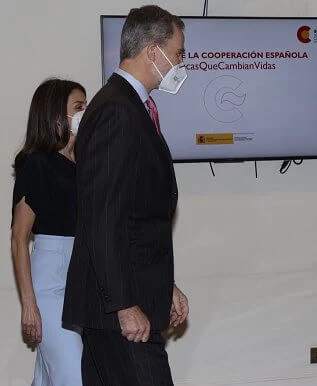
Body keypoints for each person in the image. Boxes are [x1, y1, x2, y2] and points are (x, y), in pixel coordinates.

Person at [62, 5, 189, 385]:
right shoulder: (117, 110)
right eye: (179, 53)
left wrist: (164, 284)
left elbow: (133, 217)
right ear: (154, 51)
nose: (181, 63)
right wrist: (124, 304)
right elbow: (103, 218)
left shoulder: (130, 106)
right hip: (118, 310)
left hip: (130, 296)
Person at [11, 78, 87, 385]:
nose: (87, 112)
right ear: (56, 116)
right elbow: (18, 238)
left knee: (48, 377)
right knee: (74, 375)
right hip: (51, 282)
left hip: (83, 280)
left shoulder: (87, 164)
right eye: (79, 107)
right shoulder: (38, 165)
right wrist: (30, 305)